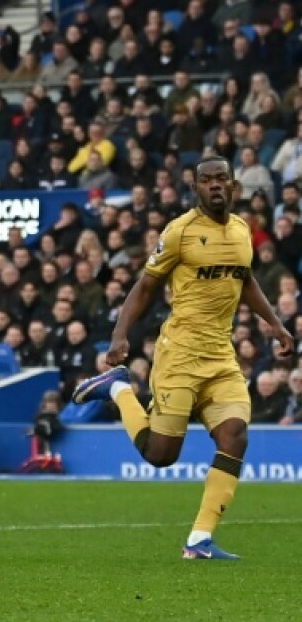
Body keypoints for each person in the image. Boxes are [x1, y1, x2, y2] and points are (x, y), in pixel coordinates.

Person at [73, 157, 295, 560]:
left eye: (220, 179)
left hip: (221, 357)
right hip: (180, 355)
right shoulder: (179, 232)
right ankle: (120, 389)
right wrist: (120, 335)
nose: (214, 185)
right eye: (206, 180)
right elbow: (145, 286)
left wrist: (275, 325)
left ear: (233, 186)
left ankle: (198, 540)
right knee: (161, 455)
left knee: (235, 435)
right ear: (196, 188)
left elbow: (245, 281)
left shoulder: (244, 231)